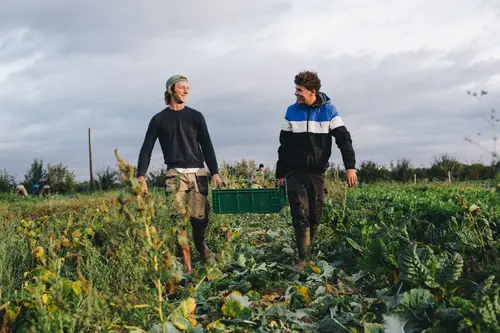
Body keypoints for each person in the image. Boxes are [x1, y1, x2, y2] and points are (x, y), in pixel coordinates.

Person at [136, 74, 222, 274]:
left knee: (199, 221)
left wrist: (215, 172)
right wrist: (141, 175)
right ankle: (187, 268)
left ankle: (201, 248)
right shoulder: (158, 119)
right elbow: (146, 149)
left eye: (187, 87)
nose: (186, 90)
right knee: (178, 220)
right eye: (182, 87)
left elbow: (207, 145)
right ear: (170, 90)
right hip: (175, 176)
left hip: (198, 174)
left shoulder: (196, 116)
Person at [275, 70, 358, 270]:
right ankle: (303, 258)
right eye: (295, 89)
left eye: (299, 90)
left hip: (317, 172)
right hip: (294, 171)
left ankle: (308, 250)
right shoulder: (291, 111)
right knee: (299, 211)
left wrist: (350, 167)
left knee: (316, 213)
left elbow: (344, 140)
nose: (296, 94)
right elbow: (284, 145)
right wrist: (280, 173)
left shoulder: (330, 111)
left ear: (312, 91)